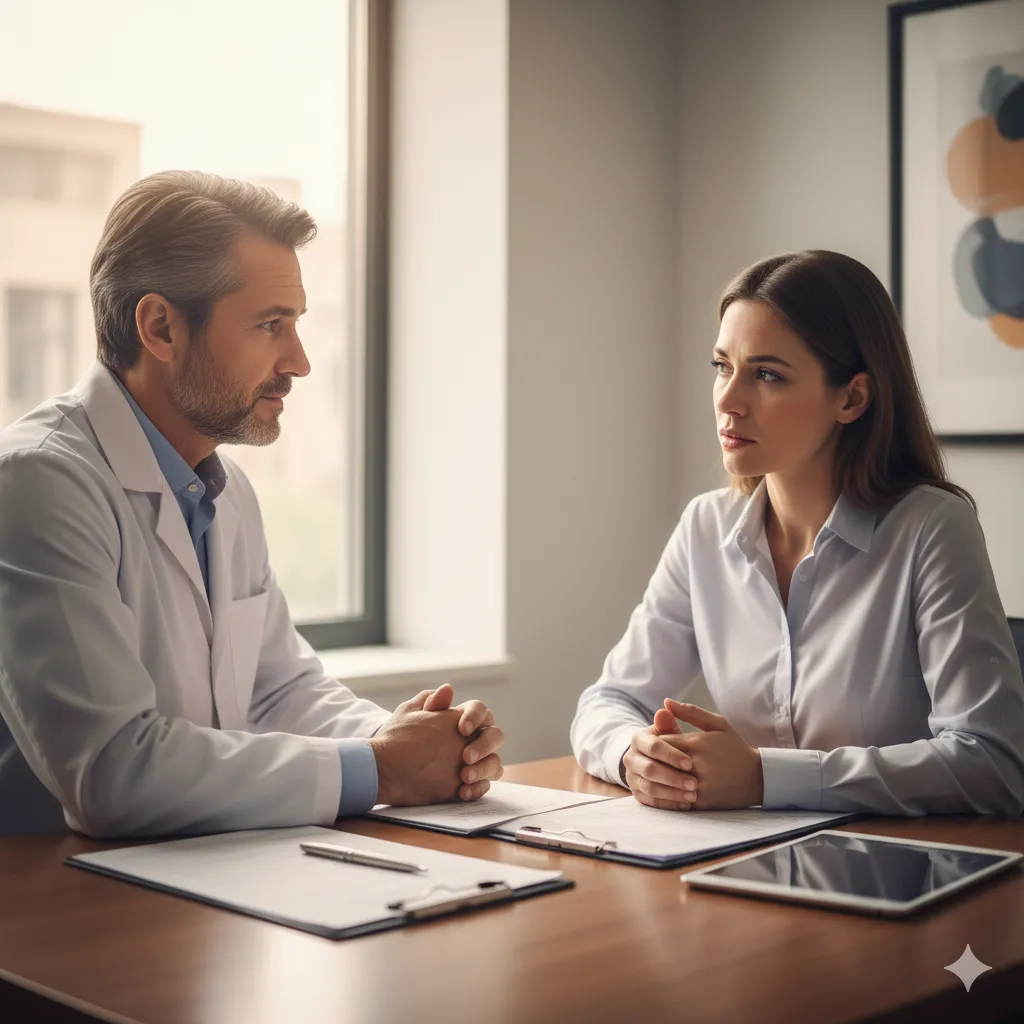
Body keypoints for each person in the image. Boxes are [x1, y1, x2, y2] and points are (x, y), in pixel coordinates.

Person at [0, 171, 504, 838]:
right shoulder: (39, 482)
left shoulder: (222, 490)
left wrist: (406, 739)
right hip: (57, 904)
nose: (298, 362)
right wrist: (382, 769)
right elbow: (111, 772)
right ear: (160, 327)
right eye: (271, 325)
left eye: (294, 325)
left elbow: (277, 689)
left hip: (191, 884)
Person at [571, 249, 1024, 816]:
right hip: (741, 866)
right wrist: (631, 754)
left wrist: (765, 778)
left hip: (898, 875)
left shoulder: (931, 529)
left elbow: (991, 764)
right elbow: (608, 701)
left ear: (851, 398)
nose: (729, 400)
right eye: (721, 366)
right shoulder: (704, 528)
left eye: (766, 375)